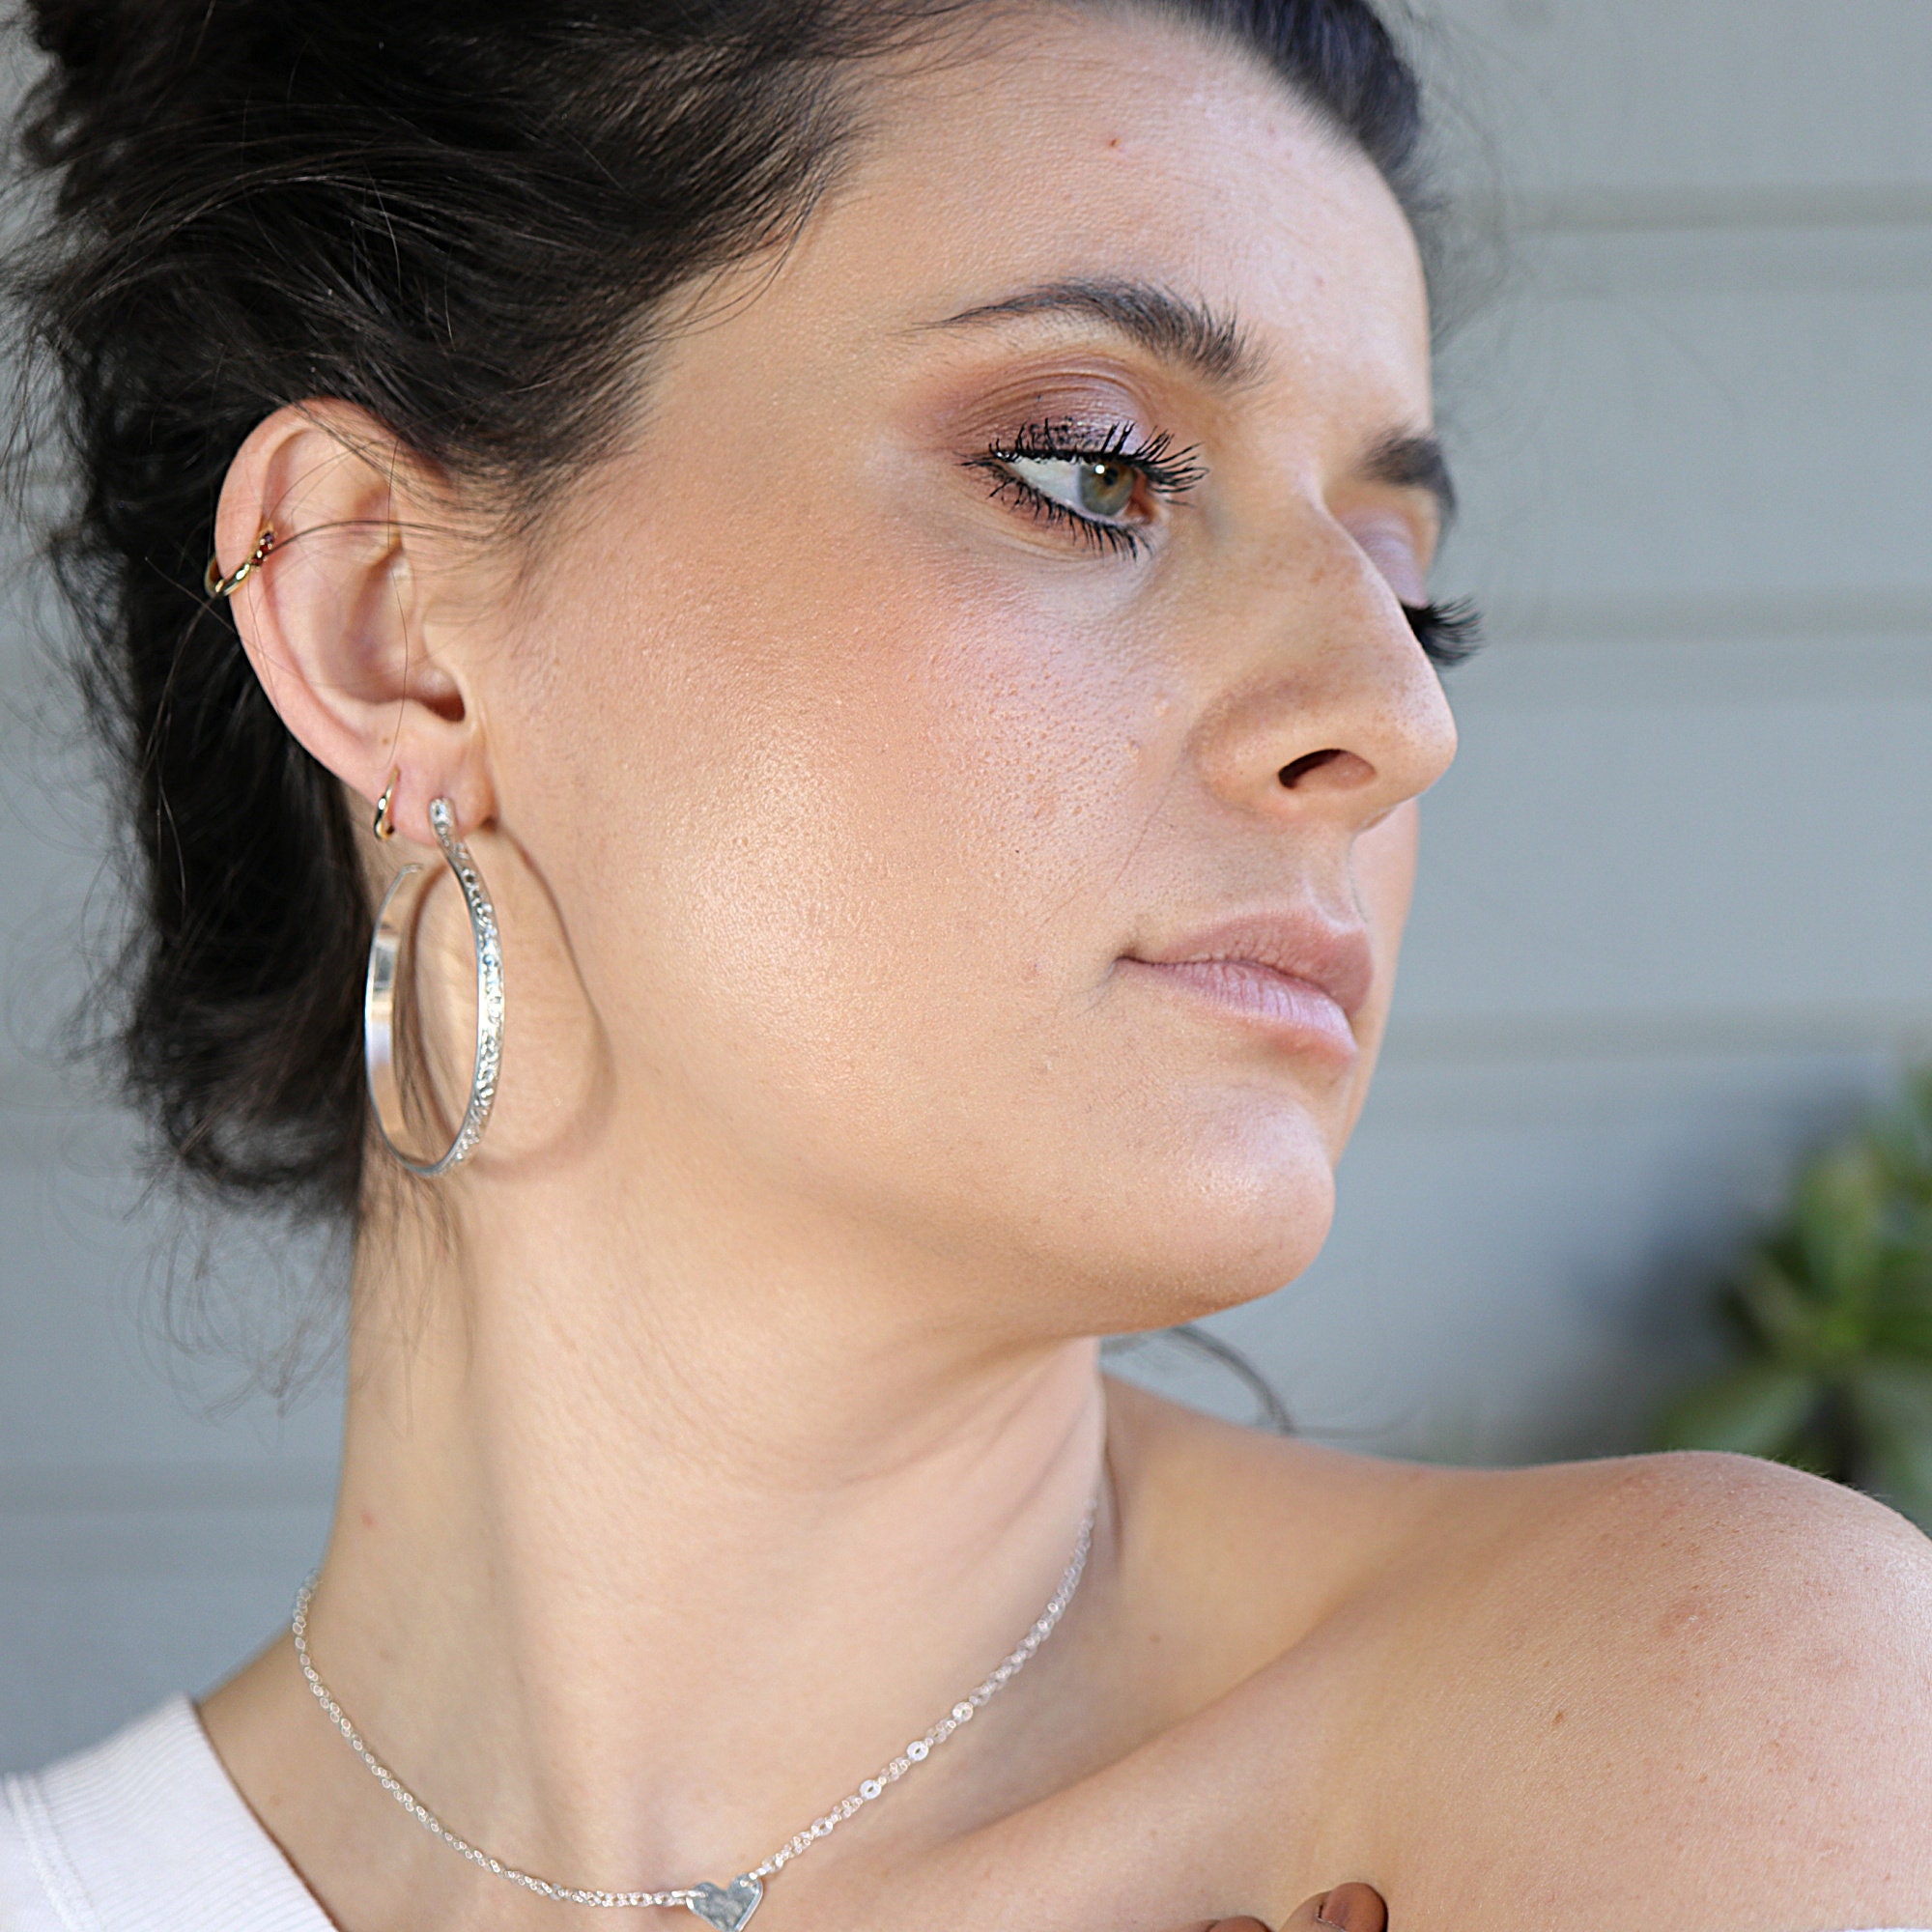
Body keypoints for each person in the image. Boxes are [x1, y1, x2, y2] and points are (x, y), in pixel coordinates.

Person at [2, 2, 1929, 1928]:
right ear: (386, 621)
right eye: (1090, 472)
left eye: (1406, 588)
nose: (1395, 713)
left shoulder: (1681, 1721)